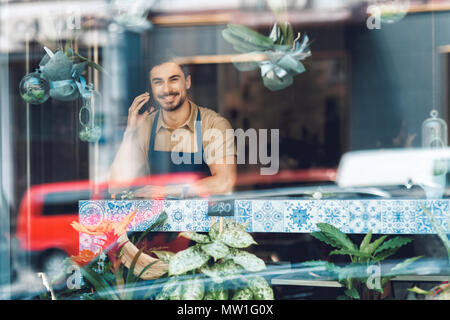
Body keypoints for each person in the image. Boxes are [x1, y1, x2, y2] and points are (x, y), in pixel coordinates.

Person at [109, 56, 237, 199]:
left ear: (187, 82)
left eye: (174, 79)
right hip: (157, 219)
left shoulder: (213, 124)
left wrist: (165, 190)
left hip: (203, 218)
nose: (166, 89)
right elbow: (116, 186)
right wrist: (130, 132)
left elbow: (224, 183)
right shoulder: (147, 125)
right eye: (158, 82)